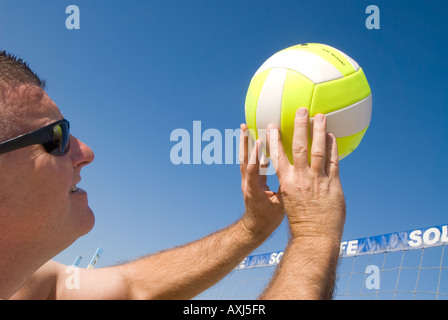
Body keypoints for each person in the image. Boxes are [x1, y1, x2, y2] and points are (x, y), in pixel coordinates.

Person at [0, 51, 346, 300]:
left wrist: (252, 228)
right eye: (57, 138)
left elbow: (133, 288)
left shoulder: (27, 287)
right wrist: (314, 236)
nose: (85, 153)